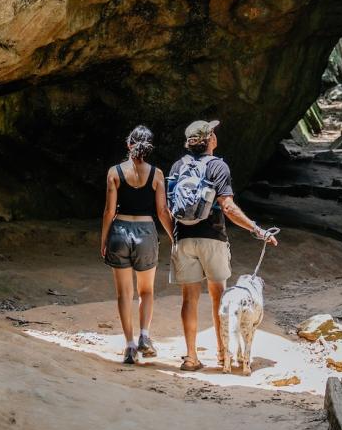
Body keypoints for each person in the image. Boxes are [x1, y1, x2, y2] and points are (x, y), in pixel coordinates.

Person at [169, 119, 277, 372]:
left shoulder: (178, 166)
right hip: (213, 238)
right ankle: (222, 354)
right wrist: (257, 230)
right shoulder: (218, 166)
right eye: (213, 133)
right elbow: (227, 207)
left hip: (183, 238)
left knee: (189, 299)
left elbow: (167, 205)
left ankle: (191, 357)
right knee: (220, 299)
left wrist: (174, 236)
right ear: (210, 140)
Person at [98, 125, 175, 365]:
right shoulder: (157, 174)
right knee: (146, 291)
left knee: (124, 293)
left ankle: (129, 346)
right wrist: (175, 238)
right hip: (146, 232)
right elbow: (162, 211)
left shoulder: (114, 172)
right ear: (149, 148)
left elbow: (109, 211)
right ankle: (144, 336)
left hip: (120, 231)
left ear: (128, 144)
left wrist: (104, 239)